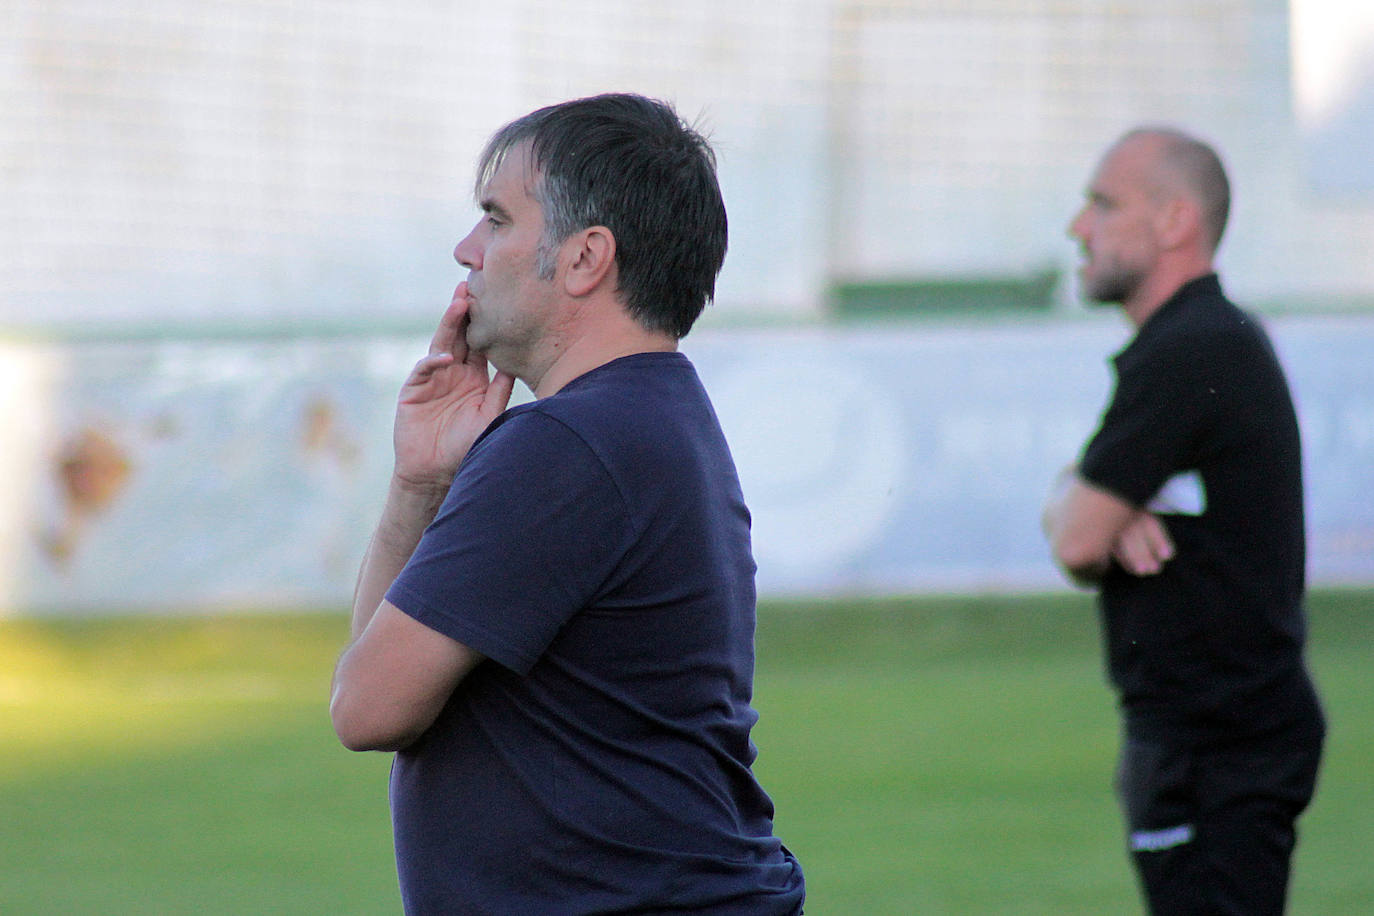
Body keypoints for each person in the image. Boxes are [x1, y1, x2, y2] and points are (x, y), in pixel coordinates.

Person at [329, 93, 805, 914]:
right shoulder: (648, 415)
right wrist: (420, 484)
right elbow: (384, 689)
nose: (466, 249)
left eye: (497, 219)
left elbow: (367, 708)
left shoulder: (565, 447)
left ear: (585, 258)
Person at [1042, 127, 1325, 915]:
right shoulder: (1201, 341)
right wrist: (1094, 496)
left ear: (1174, 222)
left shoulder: (1192, 349)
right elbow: (1087, 514)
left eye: (1103, 203)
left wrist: (1090, 504)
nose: (1078, 227)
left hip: (1220, 749)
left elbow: (1074, 539)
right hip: (1216, 744)